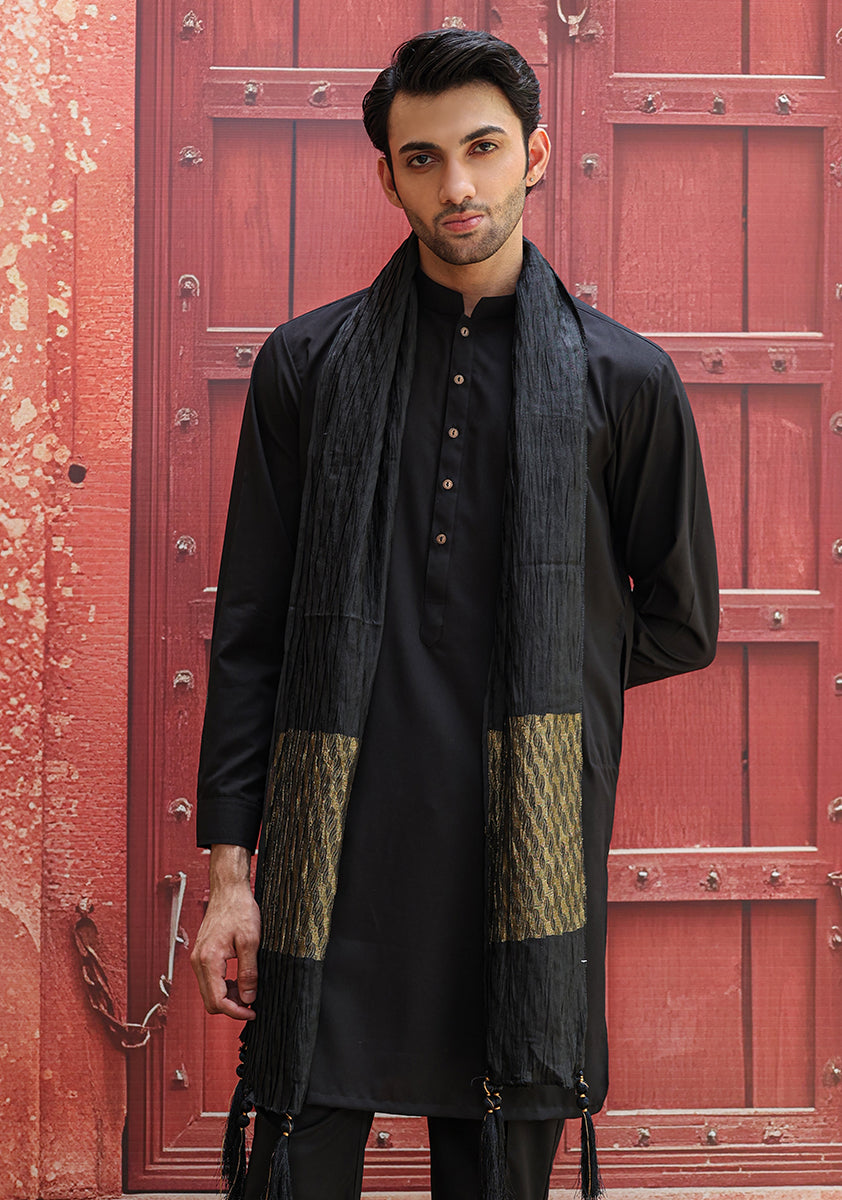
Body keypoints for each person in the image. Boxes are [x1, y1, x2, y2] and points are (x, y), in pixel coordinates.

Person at [190, 27, 719, 1200]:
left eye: (481, 148)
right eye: (421, 158)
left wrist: (538, 666)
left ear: (535, 155)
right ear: (387, 177)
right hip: (330, 858)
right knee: (293, 1165)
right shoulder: (307, 367)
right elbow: (253, 636)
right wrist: (230, 878)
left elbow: (682, 619)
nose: (456, 184)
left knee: (496, 1165)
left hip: (517, 854)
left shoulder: (621, 380)